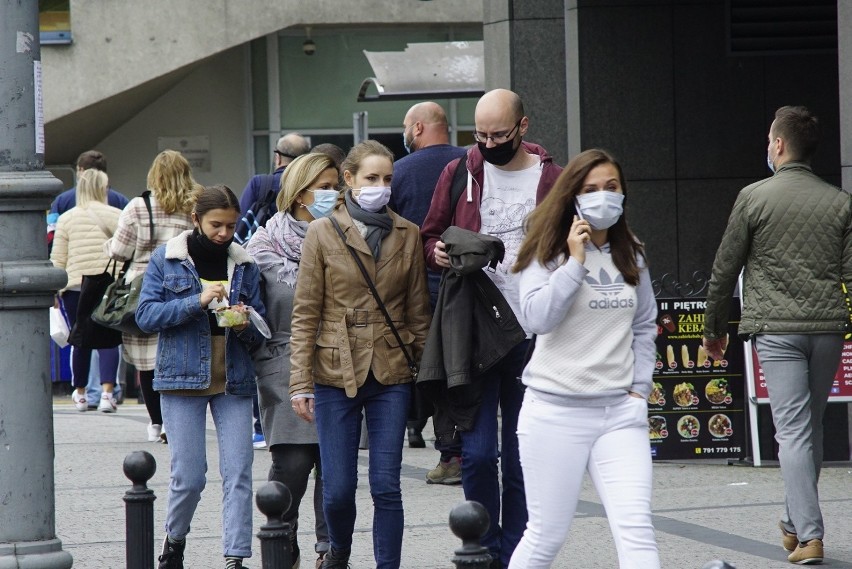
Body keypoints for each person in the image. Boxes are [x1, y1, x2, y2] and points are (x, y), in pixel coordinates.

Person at [702, 105, 852, 566]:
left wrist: (713, 330)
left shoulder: (754, 197)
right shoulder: (841, 202)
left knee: (791, 431)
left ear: (780, 145)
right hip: (827, 329)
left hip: (777, 330)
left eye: (770, 140)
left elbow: (725, 268)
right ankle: (792, 522)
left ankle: (809, 536)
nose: (768, 147)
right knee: (811, 426)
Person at [420, 88, 562, 568]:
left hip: (534, 334)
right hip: (477, 330)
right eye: (479, 135)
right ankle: (480, 545)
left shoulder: (552, 180)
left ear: (523, 127)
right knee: (478, 455)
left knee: (523, 454)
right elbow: (430, 232)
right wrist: (436, 252)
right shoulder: (460, 172)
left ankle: (516, 552)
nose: (488, 143)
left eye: (498, 134)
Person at [509, 148, 659, 569]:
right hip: (555, 411)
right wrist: (574, 264)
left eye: (611, 188)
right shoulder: (546, 254)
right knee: (545, 536)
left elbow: (645, 324)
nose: (603, 197)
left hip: (620, 413)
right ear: (572, 197)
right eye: (591, 189)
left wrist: (639, 389)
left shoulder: (633, 253)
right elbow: (538, 319)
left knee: (636, 529)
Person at [289, 140, 431, 569]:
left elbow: (418, 312)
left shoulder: (408, 233)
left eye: (387, 179)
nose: (380, 187)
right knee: (337, 487)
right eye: (371, 178)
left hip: (392, 368)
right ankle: (340, 554)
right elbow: (305, 312)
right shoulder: (322, 231)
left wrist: (426, 376)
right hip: (335, 367)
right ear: (349, 180)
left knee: (387, 485)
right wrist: (299, 382)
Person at [137, 184, 266, 569]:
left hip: (234, 378)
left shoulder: (245, 264)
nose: (224, 234)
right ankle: (174, 542)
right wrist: (197, 301)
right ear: (196, 220)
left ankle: (235, 558)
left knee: (239, 473)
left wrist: (245, 322)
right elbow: (145, 317)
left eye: (231, 225)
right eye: (216, 225)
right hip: (181, 378)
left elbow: (261, 331)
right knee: (189, 477)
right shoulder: (168, 259)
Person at [246, 153, 340, 569]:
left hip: (338, 361)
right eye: (325, 185)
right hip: (282, 362)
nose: (335, 193)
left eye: (337, 184)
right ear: (301, 192)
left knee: (333, 468)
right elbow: (250, 310)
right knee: (294, 464)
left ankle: (330, 550)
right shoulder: (263, 246)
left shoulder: (346, 237)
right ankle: (281, 542)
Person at [390, 101, 466, 476]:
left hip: (421, 291)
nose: (405, 133)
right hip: (472, 286)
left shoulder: (399, 173)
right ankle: (469, 448)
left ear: (418, 128)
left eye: (406, 126)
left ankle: (450, 452)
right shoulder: (474, 164)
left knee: (434, 373)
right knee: (468, 370)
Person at [104, 150, 197, 442]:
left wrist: (108, 244)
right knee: (176, 355)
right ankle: (174, 421)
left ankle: (156, 422)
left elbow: (120, 251)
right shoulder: (194, 205)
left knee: (146, 362)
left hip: (141, 290)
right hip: (182, 284)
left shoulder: (137, 207)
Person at [47, 150, 129, 407]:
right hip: (109, 284)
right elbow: (127, 251)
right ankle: (107, 394)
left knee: (79, 337)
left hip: (75, 286)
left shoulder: (66, 215)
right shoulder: (118, 213)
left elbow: (57, 256)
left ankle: (80, 393)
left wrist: (54, 289)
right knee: (109, 337)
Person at [236, 132, 311, 245]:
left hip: (260, 252)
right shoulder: (311, 185)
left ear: (278, 158)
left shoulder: (259, 183)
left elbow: (240, 221)